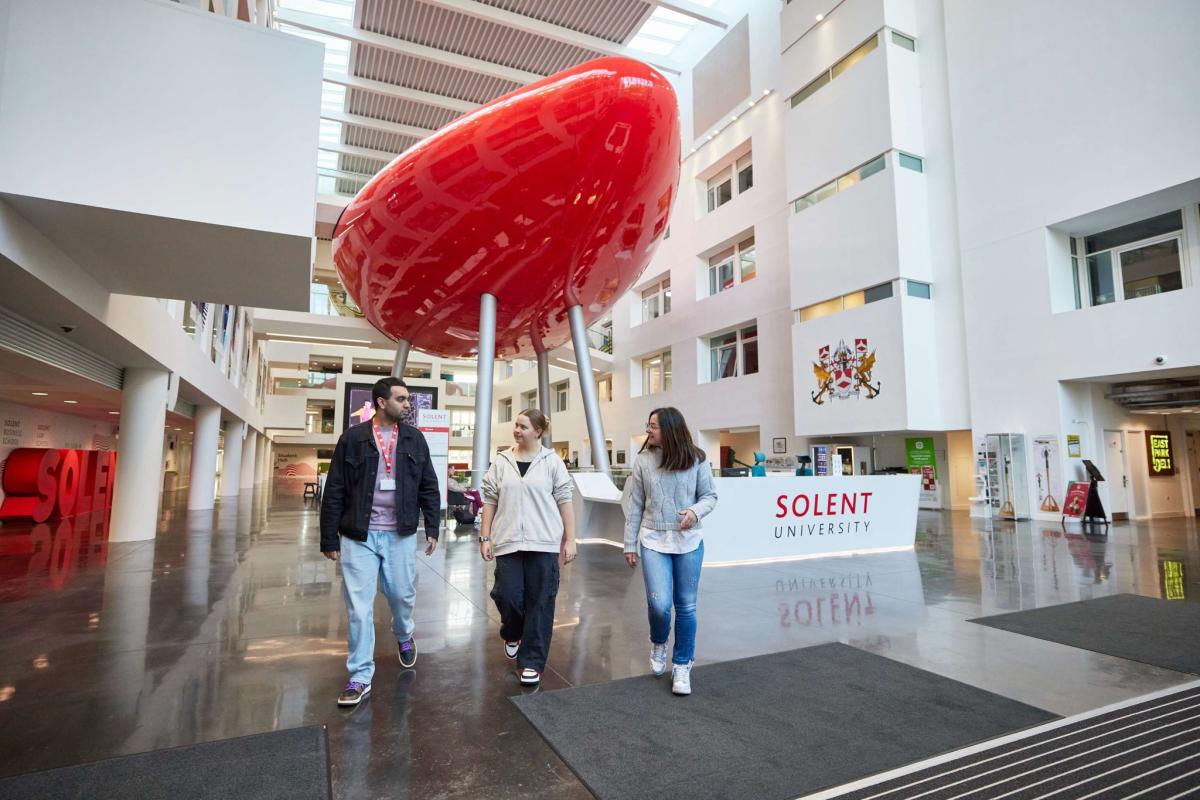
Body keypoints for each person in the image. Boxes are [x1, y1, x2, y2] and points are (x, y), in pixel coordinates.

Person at [320, 377, 441, 707]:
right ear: (381, 402)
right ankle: (360, 676)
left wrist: (432, 525)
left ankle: (403, 634)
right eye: (401, 399)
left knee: (402, 595)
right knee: (359, 609)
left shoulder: (415, 440)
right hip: (358, 536)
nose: (407, 404)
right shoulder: (353, 439)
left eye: (408, 399)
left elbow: (429, 485)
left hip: (399, 534)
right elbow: (335, 490)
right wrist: (328, 536)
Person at [623, 407, 717, 696]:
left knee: (686, 606)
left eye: (653, 426)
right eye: (648, 425)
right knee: (660, 605)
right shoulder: (643, 461)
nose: (648, 430)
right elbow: (635, 505)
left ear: (670, 430)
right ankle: (659, 641)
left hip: (688, 543)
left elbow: (709, 496)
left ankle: (681, 666)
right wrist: (629, 544)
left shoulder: (697, 459)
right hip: (653, 540)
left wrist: (694, 512)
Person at [479, 409, 576, 686]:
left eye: (522, 426)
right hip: (508, 540)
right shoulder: (502, 461)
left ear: (538, 431)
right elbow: (489, 500)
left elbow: (565, 501)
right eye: (516, 425)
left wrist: (570, 539)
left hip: (544, 542)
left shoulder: (552, 462)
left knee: (541, 601)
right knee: (507, 595)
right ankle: (512, 631)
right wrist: (485, 537)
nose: (517, 430)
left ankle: (531, 661)